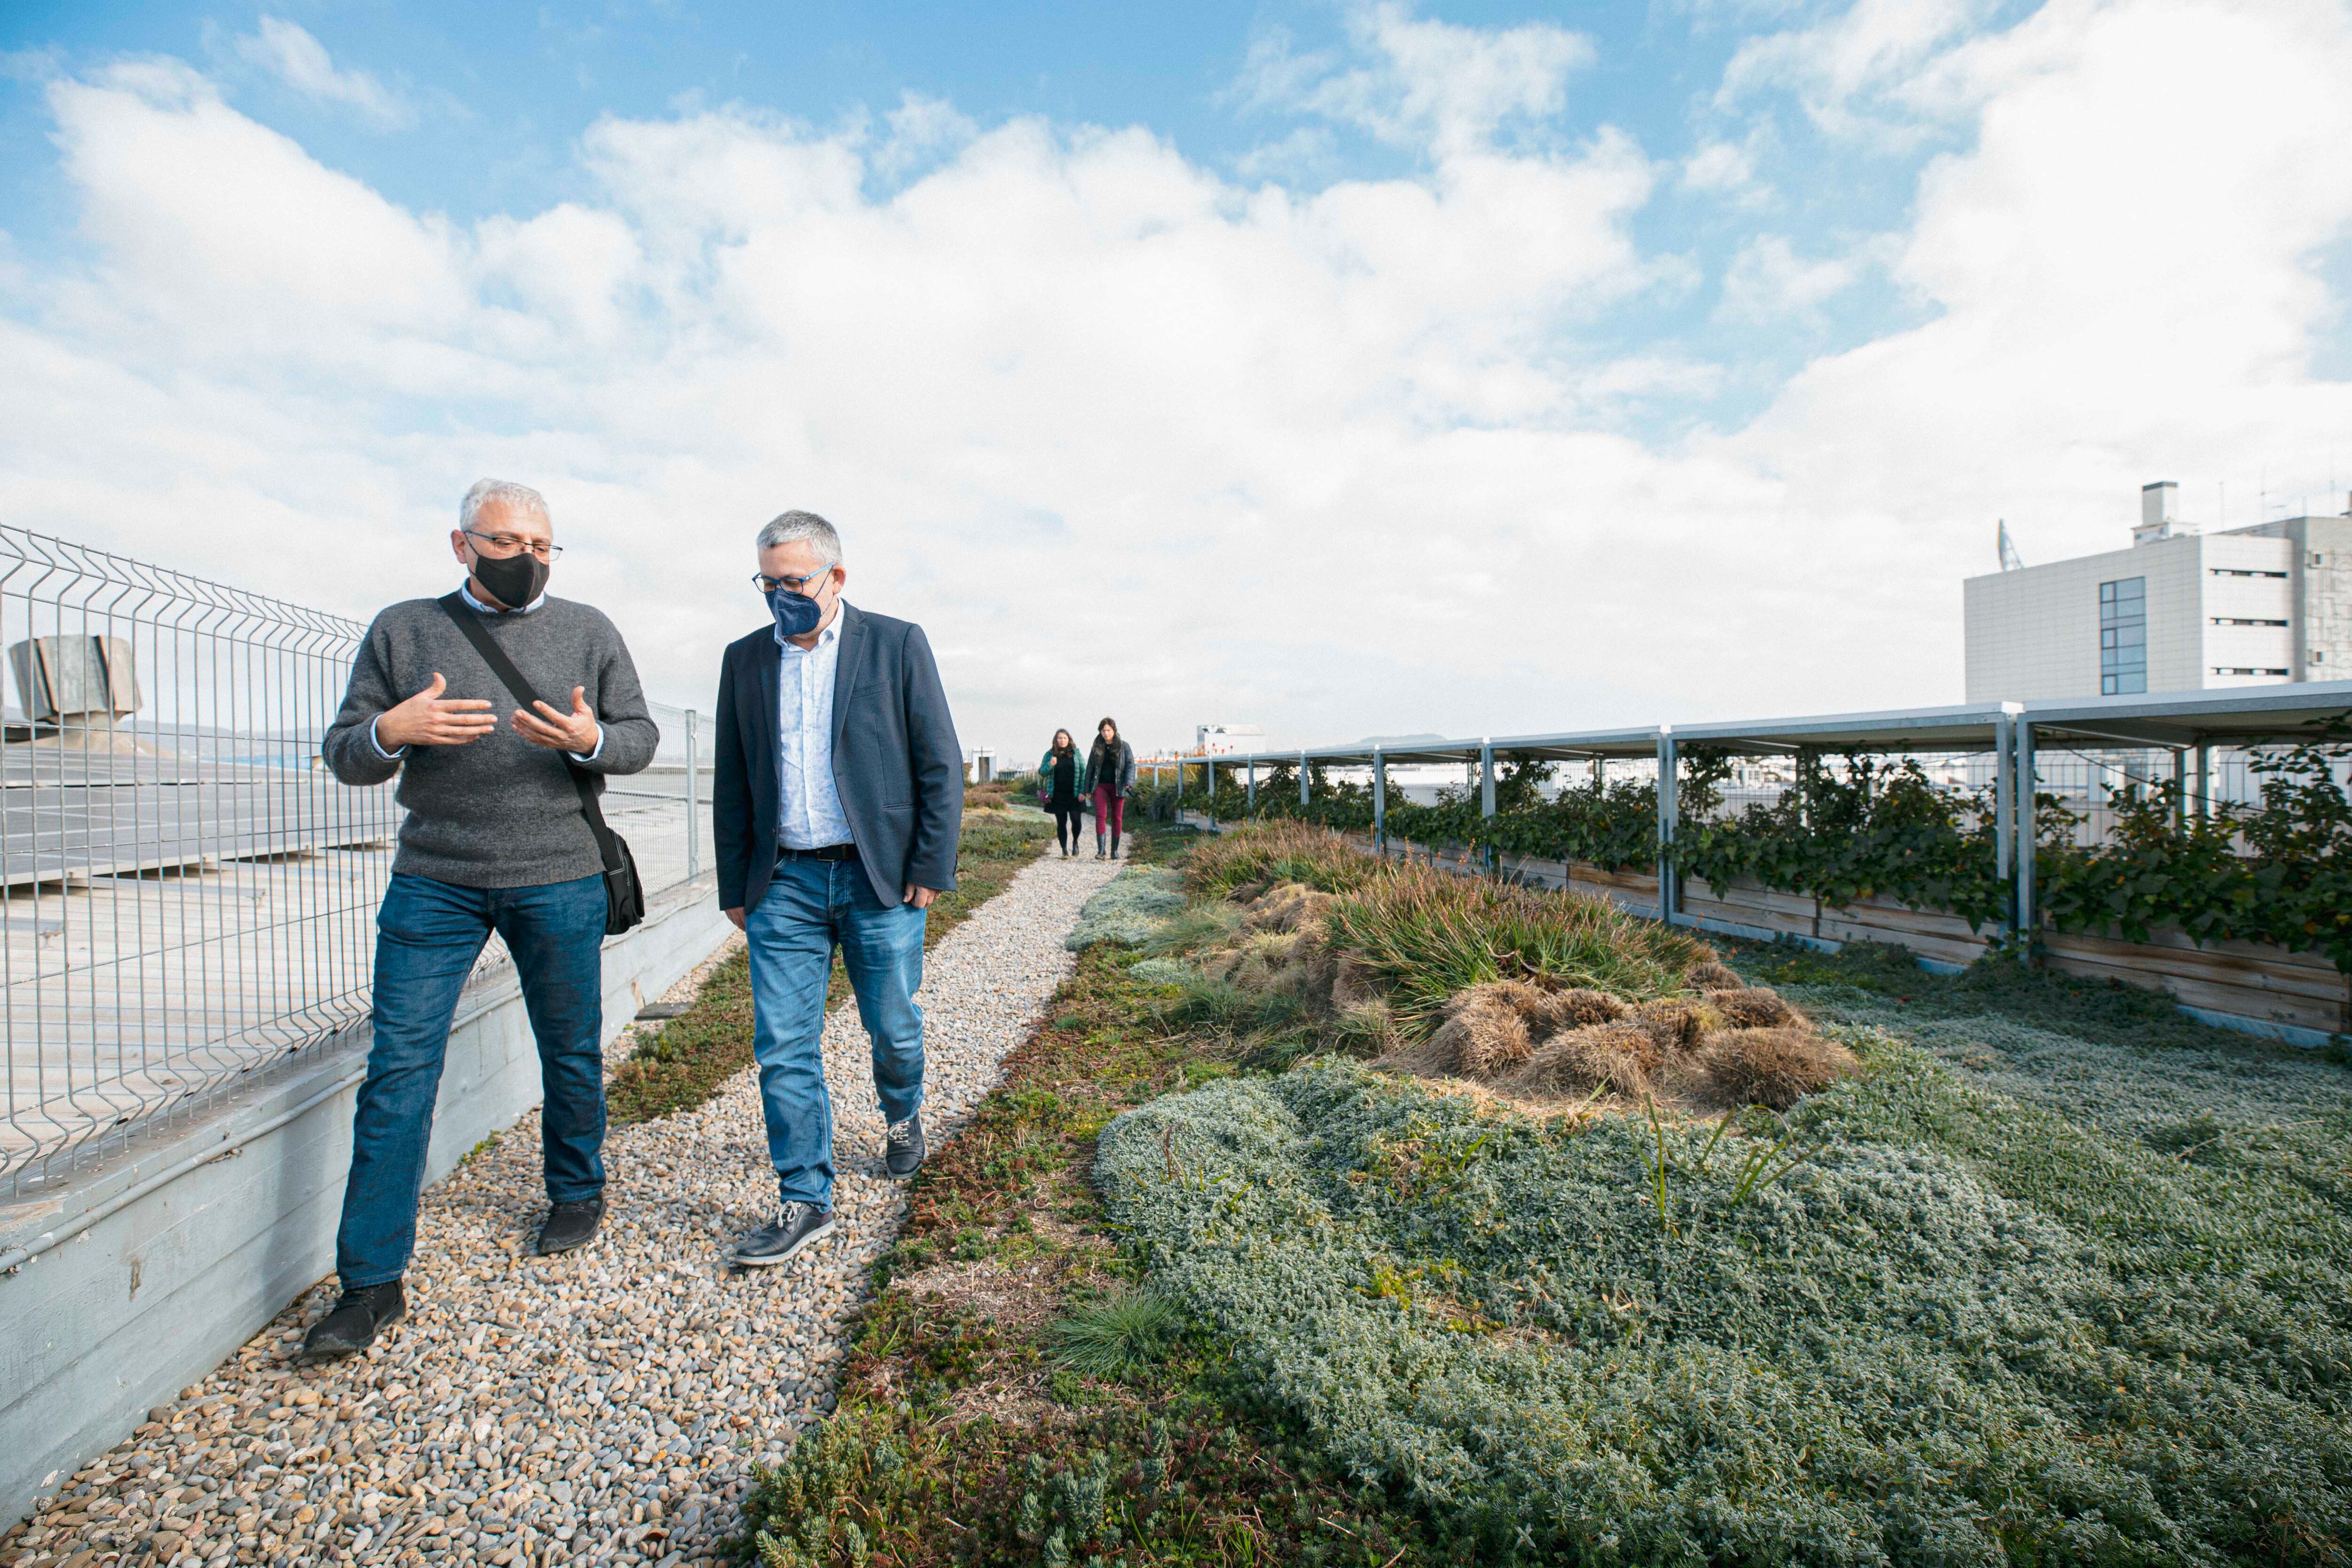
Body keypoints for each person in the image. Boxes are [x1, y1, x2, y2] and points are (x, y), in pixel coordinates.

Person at [302, 479, 659, 1364]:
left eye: (542, 543)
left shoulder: (589, 628)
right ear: (462, 546)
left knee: (569, 1046)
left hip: (560, 874)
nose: (527, 558)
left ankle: (577, 1190)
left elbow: (640, 735)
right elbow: (345, 751)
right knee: (399, 1069)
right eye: (506, 541)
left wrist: (590, 742)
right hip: (437, 879)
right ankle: (371, 1282)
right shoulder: (403, 628)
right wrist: (393, 726)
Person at [712, 509, 963, 1268]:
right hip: (783, 878)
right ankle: (805, 1196)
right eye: (768, 582)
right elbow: (731, 778)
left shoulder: (896, 644)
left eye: (794, 580)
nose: (781, 594)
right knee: (784, 1043)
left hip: (876, 873)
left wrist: (930, 864)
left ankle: (901, 1112)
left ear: (835, 577)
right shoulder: (744, 659)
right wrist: (735, 882)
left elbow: (939, 763)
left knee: (892, 1024)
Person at [1082, 716, 1135, 860]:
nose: (1106, 733)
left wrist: (1129, 782)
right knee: (1100, 816)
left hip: (1118, 787)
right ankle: (1101, 851)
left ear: (1114, 730)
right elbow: (1090, 769)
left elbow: (1131, 765)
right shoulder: (1096, 748)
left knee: (1117, 818)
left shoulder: (1124, 746)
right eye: (1103, 731)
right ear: (1100, 732)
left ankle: (1115, 851)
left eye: (1108, 730)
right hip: (1100, 786)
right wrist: (1086, 788)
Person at [1037, 728, 1085, 857]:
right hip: (1058, 795)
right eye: (1060, 738)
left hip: (1074, 795)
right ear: (1055, 740)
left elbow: (1084, 772)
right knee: (1061, 823)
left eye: (1065, 738)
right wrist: (1051, 764)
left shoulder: (1076, 753)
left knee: (1076, 821)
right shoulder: (1050, 754)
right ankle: (1064, 849)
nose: (1062, 741)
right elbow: (1042, 772)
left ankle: (1075, 842)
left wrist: (1083, 791)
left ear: (1069, 739)